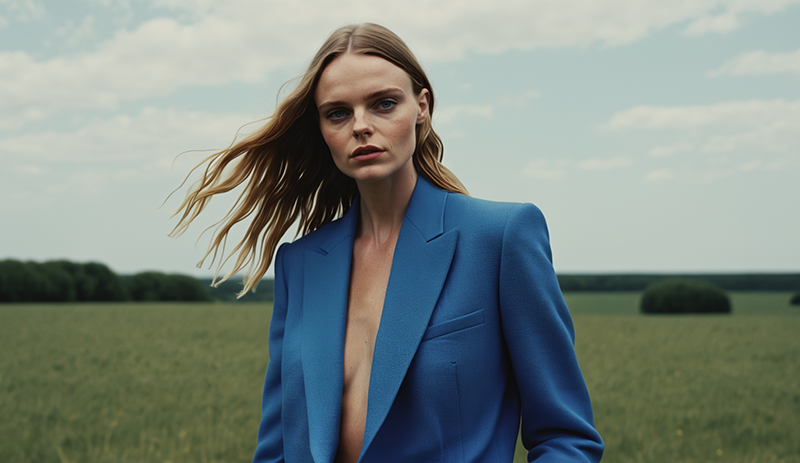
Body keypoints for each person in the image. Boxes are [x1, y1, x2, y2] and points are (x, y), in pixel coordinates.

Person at [171, 23, 603, 463]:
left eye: (383, 104)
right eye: (337, 113)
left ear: (422, 107)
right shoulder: (299, 264)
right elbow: (279, 449)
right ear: (322, 129)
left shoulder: (500, 237)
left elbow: (566, 438)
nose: (361, 126)